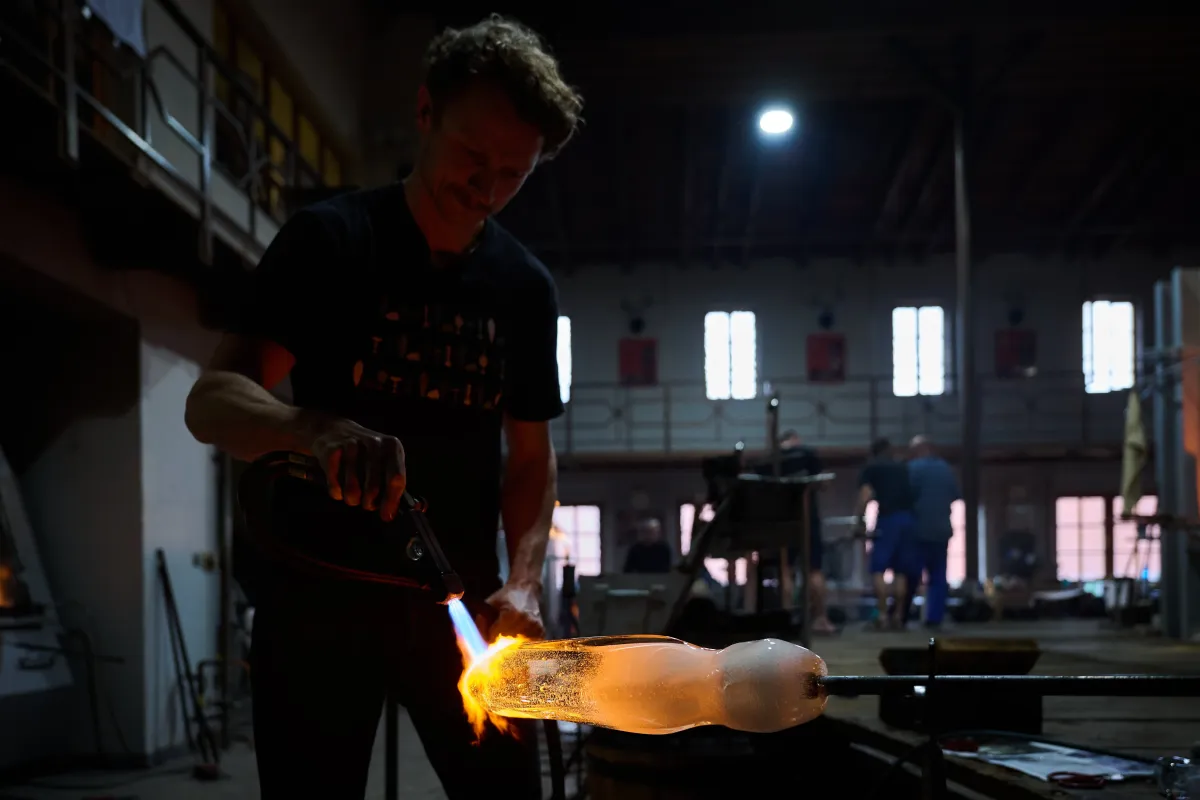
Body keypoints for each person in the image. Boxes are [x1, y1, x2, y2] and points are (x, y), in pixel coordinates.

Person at [183, 16, 583, 800]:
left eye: (513, 174)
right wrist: (311, 428)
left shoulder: (524, 288)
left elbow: (531, 459)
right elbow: (211, 402)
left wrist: (525, 581)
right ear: (425, 112)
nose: (487, 188)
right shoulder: (330, 242)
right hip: (318, 599)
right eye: (473, 156)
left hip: (461, 602)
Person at [767, 431, 835, 634]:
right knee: (814, 570)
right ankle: (821, 618)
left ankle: (786, 619)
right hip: (808, 517)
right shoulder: (808, 455)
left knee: (785, 570)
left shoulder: (774, 459)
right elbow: (824, 483)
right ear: (795, 440)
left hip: (783, 520)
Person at [854, 437, 916, 630]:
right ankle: (898, 615)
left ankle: (882, 615)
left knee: (878, 569)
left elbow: (865, 494)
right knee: (901, 571)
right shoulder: (903, 467)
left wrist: (859, 520)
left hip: (888, 520)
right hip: (908, 520)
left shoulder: (872, 467)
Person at [907, 435, 961, 629]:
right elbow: (955, 495)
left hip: (918, 530)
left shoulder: (912, 468)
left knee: (912, 574)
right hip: (941, 530)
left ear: (919, 450)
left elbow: (905, 496)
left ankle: (903, 615)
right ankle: (934, 617)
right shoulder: (945, 468)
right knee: (938, 576)